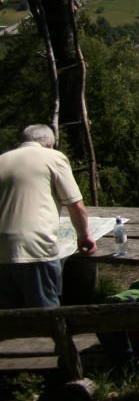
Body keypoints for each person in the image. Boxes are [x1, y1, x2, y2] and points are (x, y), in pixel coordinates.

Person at [0, 124, 96, 308]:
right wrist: (84, 237)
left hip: (2, 250)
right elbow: (75, 204)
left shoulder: (2, 159)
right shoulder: (53, 157)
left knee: (8, 320)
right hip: (34, 248)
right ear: (51, 144)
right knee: (46, 318)